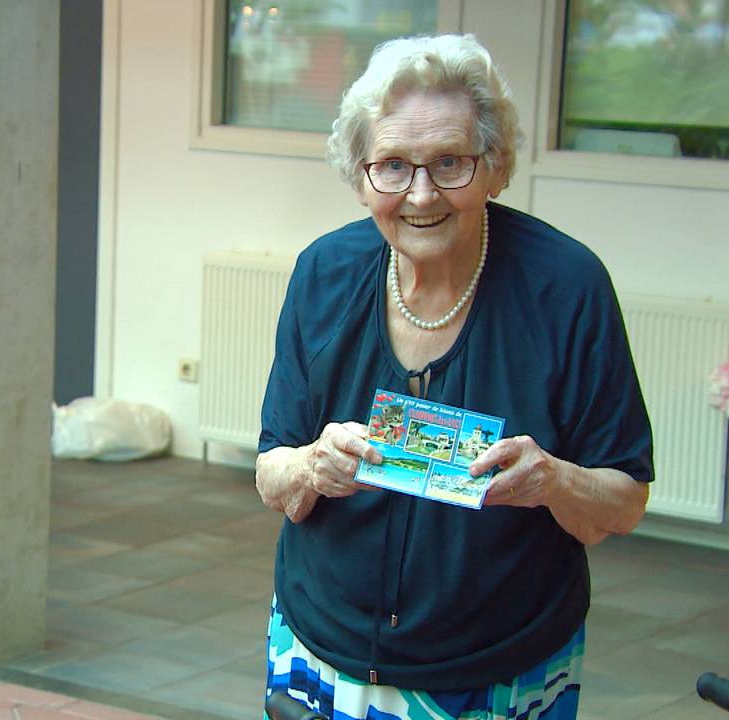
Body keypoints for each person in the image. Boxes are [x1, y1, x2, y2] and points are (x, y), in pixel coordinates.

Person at [256, 34, 653, 720]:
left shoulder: (566, 288)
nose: (420, 194)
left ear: (494, 167)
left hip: (495, 669)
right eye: (392, 165)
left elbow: (623, 502)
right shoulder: (323, 273)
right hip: (320, 644)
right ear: (361, 177)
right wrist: (314, 465)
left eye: (450, 162)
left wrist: (552, 481)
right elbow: (272, 472)